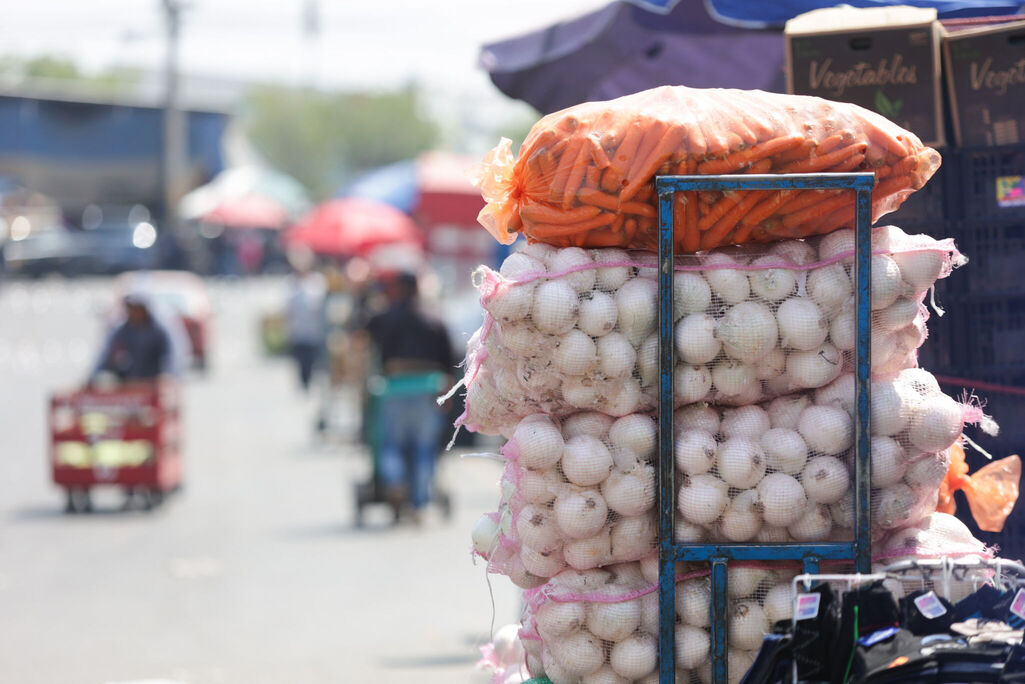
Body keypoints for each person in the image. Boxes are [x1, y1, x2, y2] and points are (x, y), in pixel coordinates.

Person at [365, 271, 455, 519]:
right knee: (424, 447)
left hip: (394, 388)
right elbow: (449, 360)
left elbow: (365, 328)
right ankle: (419, 499)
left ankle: (394, 481)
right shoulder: (433, 318)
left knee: (392, 443)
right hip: (427, 389)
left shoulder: (386, 317)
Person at [92, 292, 173, 383]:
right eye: (131, 308)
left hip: (153, 382)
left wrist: (167, 375)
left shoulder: (159, 331)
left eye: (137, 308)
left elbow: (170, 356)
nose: (134, 312)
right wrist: (92, 378)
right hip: (130, 382)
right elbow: (105, 355)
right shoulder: (122, 331)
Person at [284, 250, 326, 392]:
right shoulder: (290, 283)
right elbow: (288, 308)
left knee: (311, 360)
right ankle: (303, 384)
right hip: (298, 331)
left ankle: (309, 383)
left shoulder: (317, 282)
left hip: (314, 331)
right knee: (300, 361)